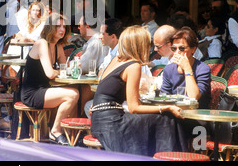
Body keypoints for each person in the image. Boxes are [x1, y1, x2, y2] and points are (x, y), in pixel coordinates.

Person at [90, 25, 186, 156]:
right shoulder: (133, 65)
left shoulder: (116, 59)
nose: (151, 48)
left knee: (160, 118)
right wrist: (166, 107)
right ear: (141, 45)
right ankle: (170, 157)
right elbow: (134, 107)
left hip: (99, 120)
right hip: (112, 123)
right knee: (166, 119)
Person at [21, 13, 79, 146]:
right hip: (32, 93)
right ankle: (56, 131)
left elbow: (65, 69)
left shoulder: (58, 46)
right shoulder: (42, 43)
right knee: (72, 94)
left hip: (45, 90)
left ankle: (71, 132)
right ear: (50, 28)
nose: (62, 30)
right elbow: (50, 74)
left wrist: (73, 66)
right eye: (58, 26)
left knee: (79, 91)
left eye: (64, 27)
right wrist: (62, 70)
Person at [161, 26, 211, 109]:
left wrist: (187, 68)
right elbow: (164, 97)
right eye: (174, 48)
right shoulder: (168, 69)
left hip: (196, 115)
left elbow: (194, 97)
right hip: (173, 112)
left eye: (181, 48)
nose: (177, 52)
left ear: (193, 49)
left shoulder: (203, 69)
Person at [84, 18, 123, 118]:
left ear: (113, 37)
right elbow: (101, 72)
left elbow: (107, 76)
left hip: (118, 99)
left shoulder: (121, 53)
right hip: (108, 94)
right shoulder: (111, 50)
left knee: (88, 105)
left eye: (102, 34)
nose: (100, 37)